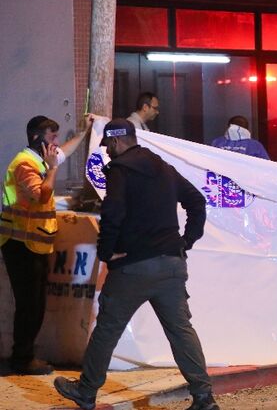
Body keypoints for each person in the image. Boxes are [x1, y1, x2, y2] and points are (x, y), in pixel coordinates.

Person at [54, 119, 219, 410]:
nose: (107, 152)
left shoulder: (120, 171)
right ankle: (204, 397)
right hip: (171, 264)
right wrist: (185, 241)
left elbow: (113, 213)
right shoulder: (164, 168)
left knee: (107, 329)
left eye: (108, 146)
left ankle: (86, 391)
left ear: (117, 142)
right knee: (181, 330)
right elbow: (197, 201)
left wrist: (105, 252)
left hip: (134, 267)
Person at [1, 114, 94, 375]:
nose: (56, 143)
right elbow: (42, 195)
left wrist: (84, 133)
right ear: (36, 138)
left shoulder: (39, 159)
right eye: (51, 137)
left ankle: (25, 356)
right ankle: (22, 359)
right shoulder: (24, 164)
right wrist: (53, 169)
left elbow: (64, 152)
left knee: (35, 303)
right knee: (29, 305)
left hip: (32, 243)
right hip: (20, 244)